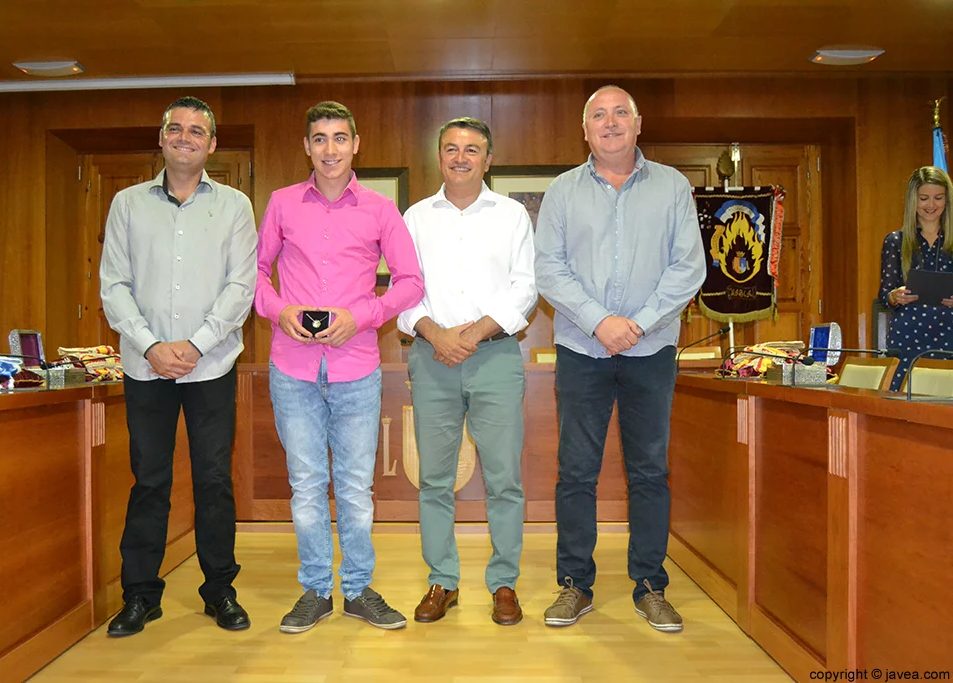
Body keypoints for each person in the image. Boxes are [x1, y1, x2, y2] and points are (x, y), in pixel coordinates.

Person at [534, 85, 705, 632]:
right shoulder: (562, 191)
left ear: (638, 123)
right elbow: (550, 270)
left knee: (650, 471)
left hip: (651, 350)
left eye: (619, 114)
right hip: (582, 350)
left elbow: (688, 267)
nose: (610, 123)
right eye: (598, 116)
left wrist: (638, 323)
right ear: (585, 130)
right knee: (576, 472)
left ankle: (650, 586)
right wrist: (599, 322)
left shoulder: (674, 187)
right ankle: (574, 585)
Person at [255, 101, 424, 633]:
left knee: (353, 488)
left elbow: (411, 282)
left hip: (356, 367)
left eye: (339, 138)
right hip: (293, 368)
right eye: (320, 139)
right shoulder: (282, 204)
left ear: (356, 145)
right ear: (307, 147)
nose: (330, 149)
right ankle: (315, 591)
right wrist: (280, 311)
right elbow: (256, 274)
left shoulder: (379, 210)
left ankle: (356, 590)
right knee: (306, 485)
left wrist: (362, 316)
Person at [100, 96, 257, 636]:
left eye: (197, 131)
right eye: (176, 128)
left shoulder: (235, 205)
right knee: (149, 481)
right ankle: (141, 595)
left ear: (212, 144)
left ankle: (220, 592)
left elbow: (242, 286)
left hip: (211, 365)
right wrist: (150, 346)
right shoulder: (127, 203)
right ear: (162, 137)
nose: (185, 137)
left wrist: (194, 344)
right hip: (145, 369)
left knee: (214, 480)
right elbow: (113, 285)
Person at [398, 117, 537, 626]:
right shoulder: (413, 218)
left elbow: (525, 288)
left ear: (488, 158)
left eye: (472, 149)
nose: (461, 157)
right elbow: (403, 293)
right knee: (434, 480)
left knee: (504, 479)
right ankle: (442, 580)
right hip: (431, 358)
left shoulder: (512, 215)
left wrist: (473, 333)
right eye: (452, 148)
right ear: (439, 157)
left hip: (495, 358)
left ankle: (503, 583)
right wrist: (437, 334)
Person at [879, 166, 953, 390]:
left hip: (949, 333)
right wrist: (895, 296)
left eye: (938, 198)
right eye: (924, 198)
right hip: (908, 335)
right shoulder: (895, 241)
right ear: (913, 200)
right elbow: (884, 296)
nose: (931, 205)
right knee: (904, 404)